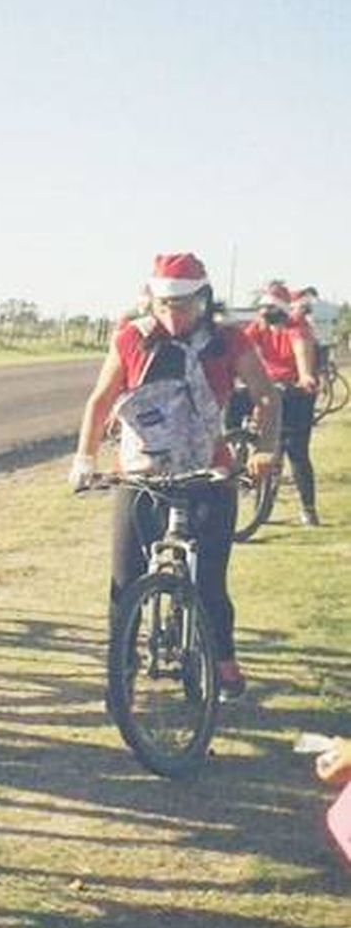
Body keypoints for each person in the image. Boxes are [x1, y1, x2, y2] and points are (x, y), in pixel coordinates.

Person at [69, 252, 280, 700]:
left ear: (203, 299)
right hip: (142, 475)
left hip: (208, 473)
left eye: (182, 305)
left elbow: (266, 395)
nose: (173, 314)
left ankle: (222, 660)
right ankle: (122, 667)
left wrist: (264, 449)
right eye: (164, 305)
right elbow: (99, 402)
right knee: (125, 581)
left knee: (209, 582)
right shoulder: (132, 339)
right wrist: (84, 462)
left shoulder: (229, 341)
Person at [244, 282, 320, 526]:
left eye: (271, 308)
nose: (266, 313)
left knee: (296, 451)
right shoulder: (257, 328)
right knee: (267, 447)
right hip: (269, 389)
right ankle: (261, 507)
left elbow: (302, 351)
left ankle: (308, 509)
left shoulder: (296, 327)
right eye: (263, 308)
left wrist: (305, 375)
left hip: (296, 391)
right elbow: (241, 349)